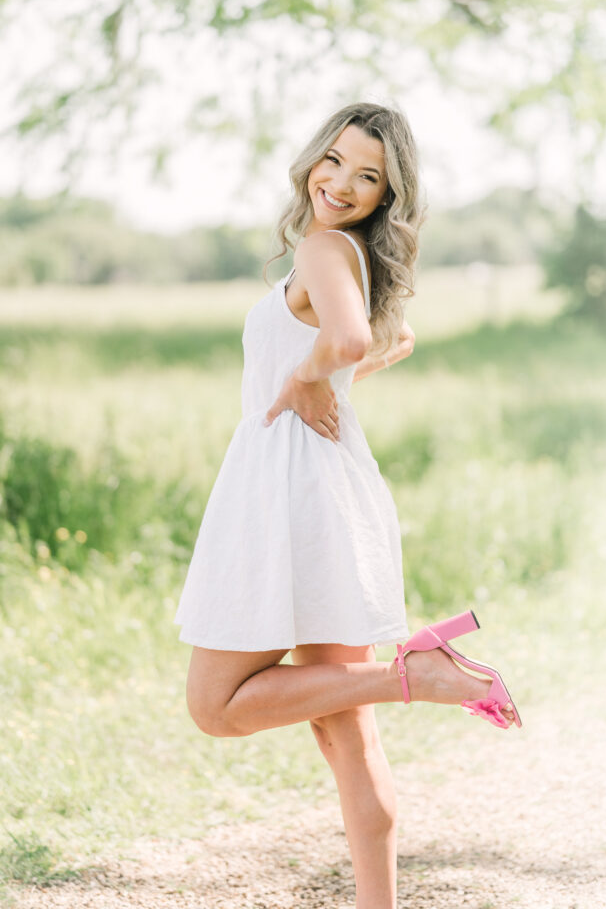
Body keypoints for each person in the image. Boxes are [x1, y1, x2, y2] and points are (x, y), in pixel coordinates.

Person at [174, 101, 521, 909]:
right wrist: (322, 377)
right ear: (313, 158)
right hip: (318, 485)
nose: (341, 183)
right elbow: (358, 351)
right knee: (342, 728)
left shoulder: (324, 247)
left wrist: (307, 377)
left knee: (216, 709)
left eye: (367, 176)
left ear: (386, 195)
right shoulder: (344, 253)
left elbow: (348, 343)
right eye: (335, 160)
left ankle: (417, 676)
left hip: (290, 496)